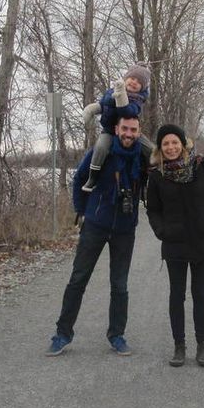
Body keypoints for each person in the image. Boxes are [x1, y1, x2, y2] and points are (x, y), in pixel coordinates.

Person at [46, 114, 147, 357]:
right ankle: (62, 334)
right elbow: (79, 179)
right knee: (78, 279)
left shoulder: (141, 157)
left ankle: (117, 336)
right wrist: (81, 210)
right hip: (95, 224)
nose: (128, 134)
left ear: (139, 132)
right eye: (124, 128)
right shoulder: (101, 151)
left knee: (119, 285)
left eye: (133, 130)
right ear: (116, 128)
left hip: (125, 229)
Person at [145, 123, 204, 368]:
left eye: (174, 142)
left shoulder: (203, 166)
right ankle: (179, 346)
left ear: (183, 143)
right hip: (175, 245)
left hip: (203, 241)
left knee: (200, 294)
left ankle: (202, 346)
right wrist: (162, 231)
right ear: (160, 148)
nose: (170, 147)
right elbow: (153, 210)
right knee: (176, 295)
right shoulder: (157, 176)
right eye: (165, 144)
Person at [80, 62, 153, 192]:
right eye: (132, 78)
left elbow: (127, 111)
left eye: (139, 82)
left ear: (142, 87)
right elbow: (104, 103)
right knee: (101, 148)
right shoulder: (111, 91)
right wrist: (92, 109)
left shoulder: (138, 99)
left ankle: (151, 175)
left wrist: (121, 95)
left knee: (151, 149)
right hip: (108, 130)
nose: (134, 82)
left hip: (130, 132)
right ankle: (92, 178)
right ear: (126, 79)